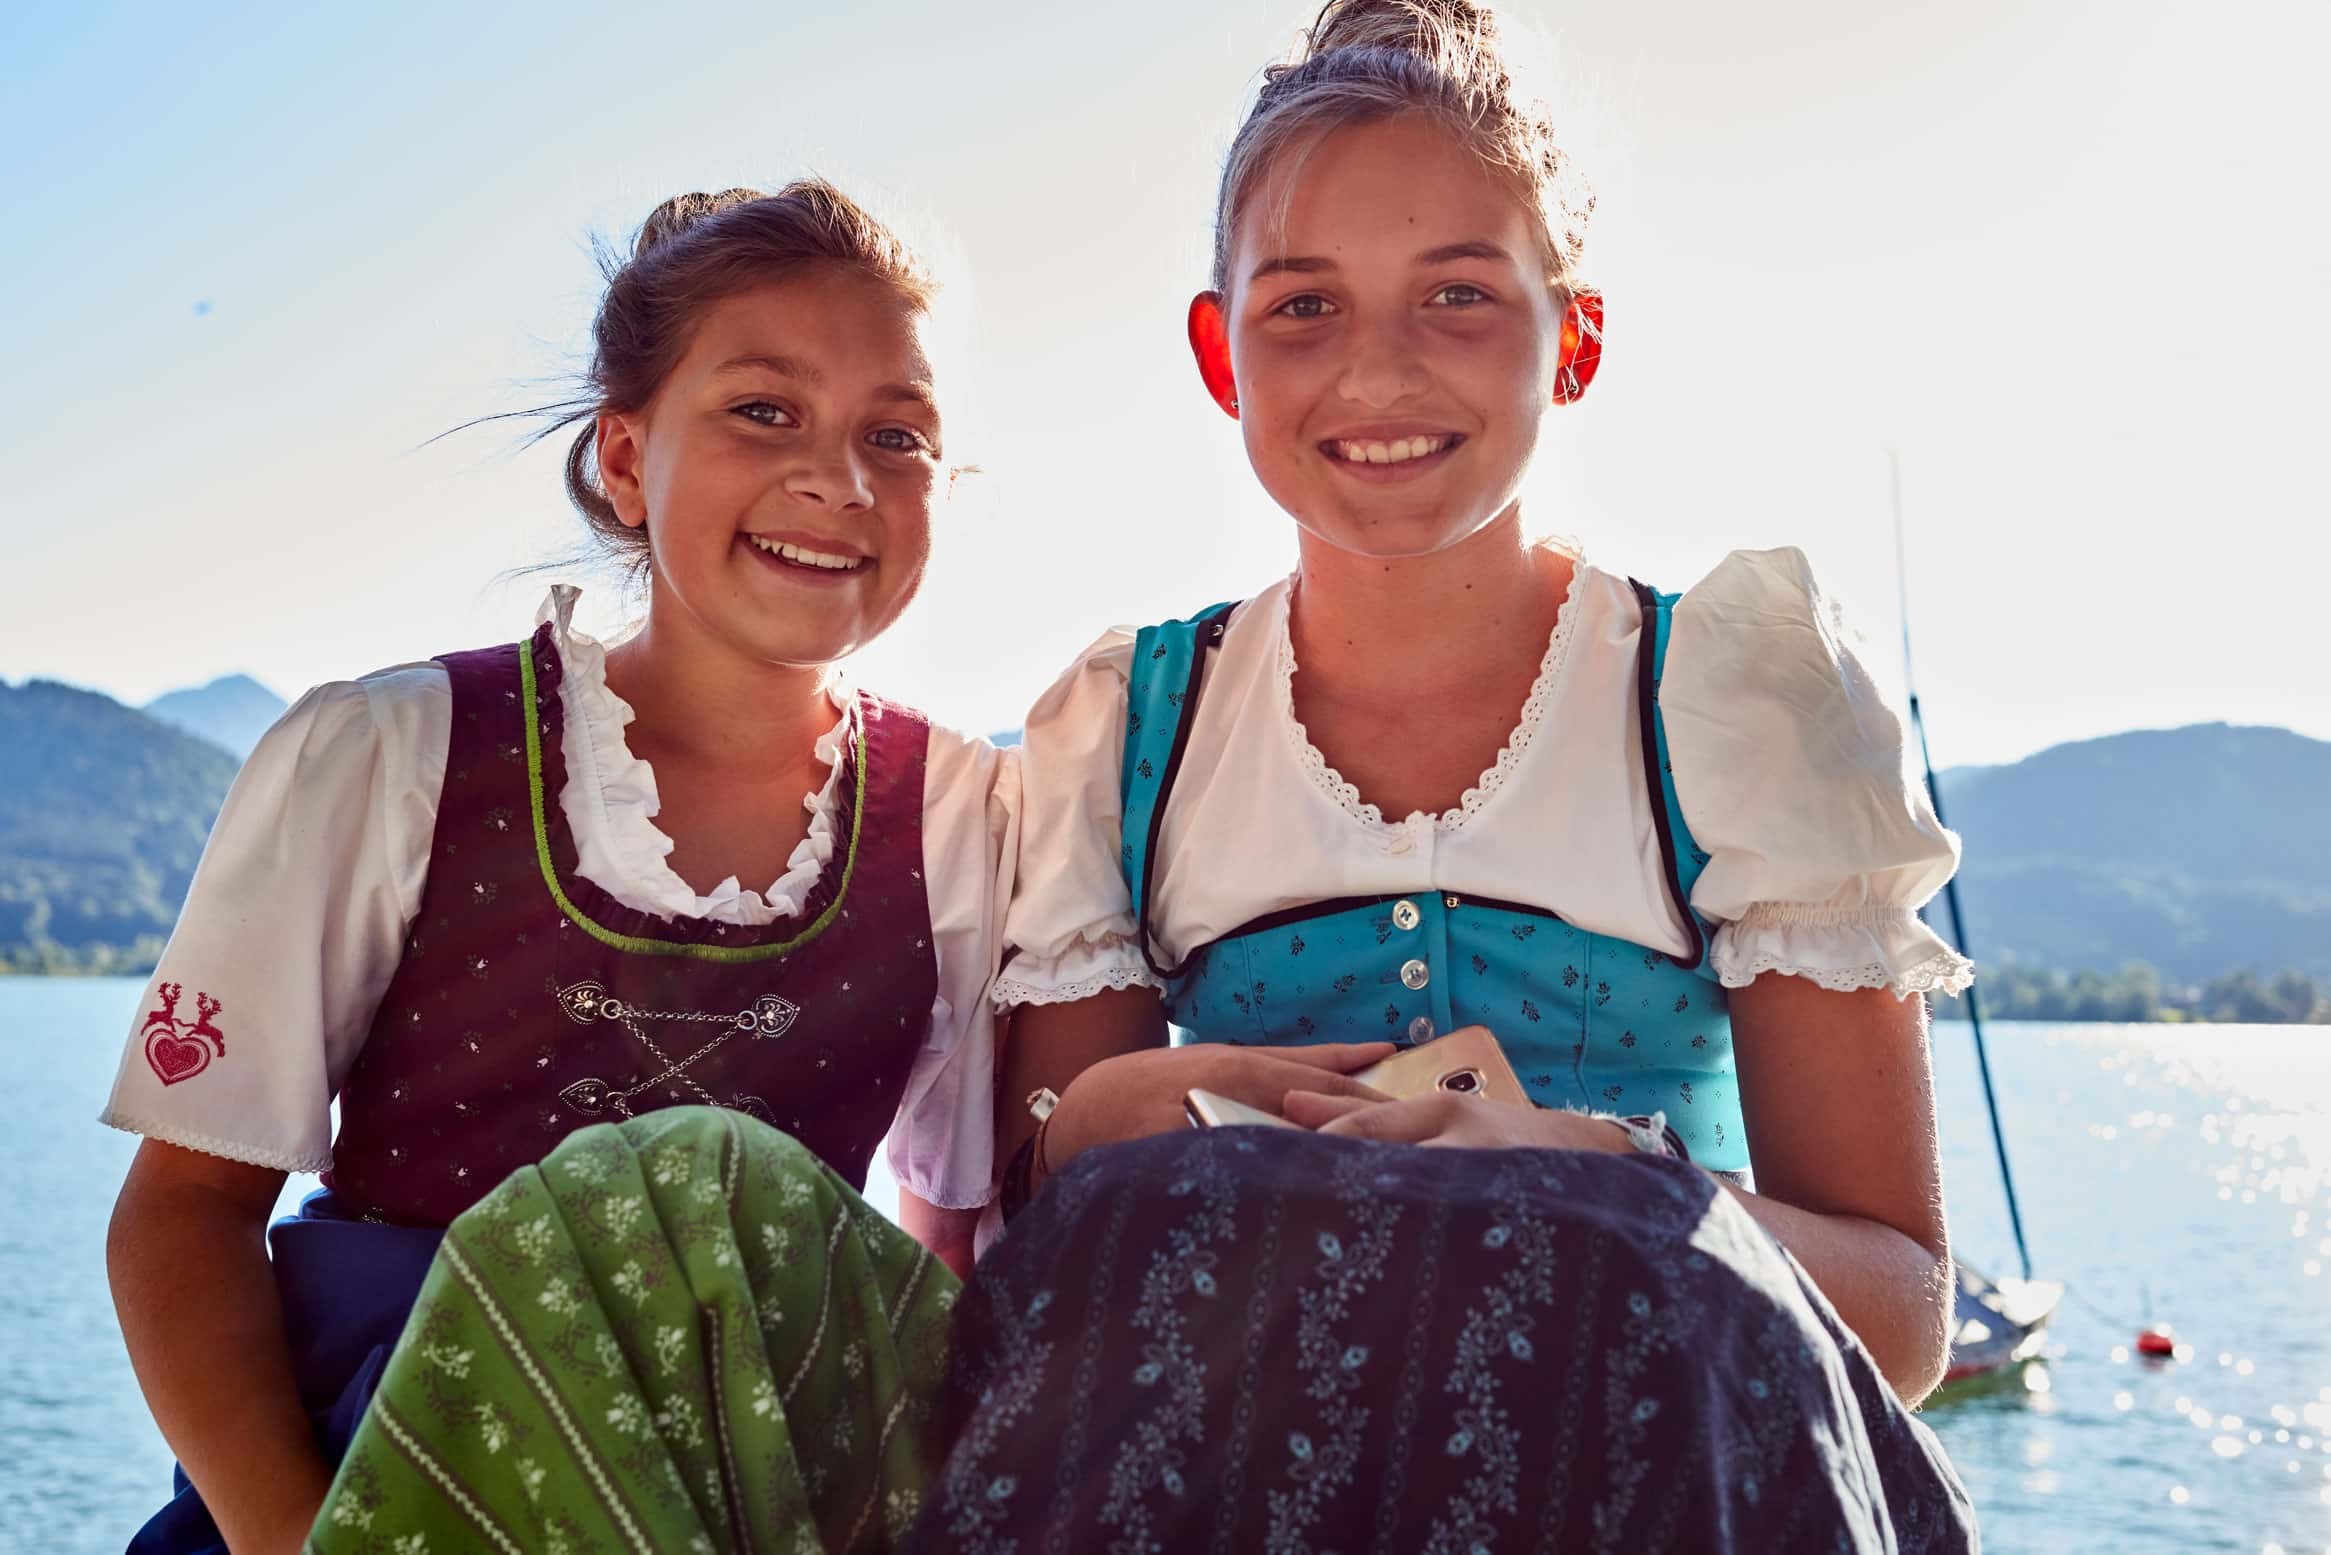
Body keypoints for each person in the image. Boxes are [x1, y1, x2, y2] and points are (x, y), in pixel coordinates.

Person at [957, 0, 1980, 1544]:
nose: (1377, 370)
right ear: (1217, 352)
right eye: (1303, 307)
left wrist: (1607, 1173)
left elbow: (1900, 1314)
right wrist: (1125, 1102)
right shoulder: (1128, 731)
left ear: (1574, 338)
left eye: (1456, 294)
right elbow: (1051, 1251)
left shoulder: (1720, 698)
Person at [99, 181, 1017, 1555]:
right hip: (368, 1473)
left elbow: (937, 1254)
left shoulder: (967, 817)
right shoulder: (396, 753)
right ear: (626, 458)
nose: (838, 477)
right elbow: (183, 1215)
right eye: (764, 410)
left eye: (899, 435)